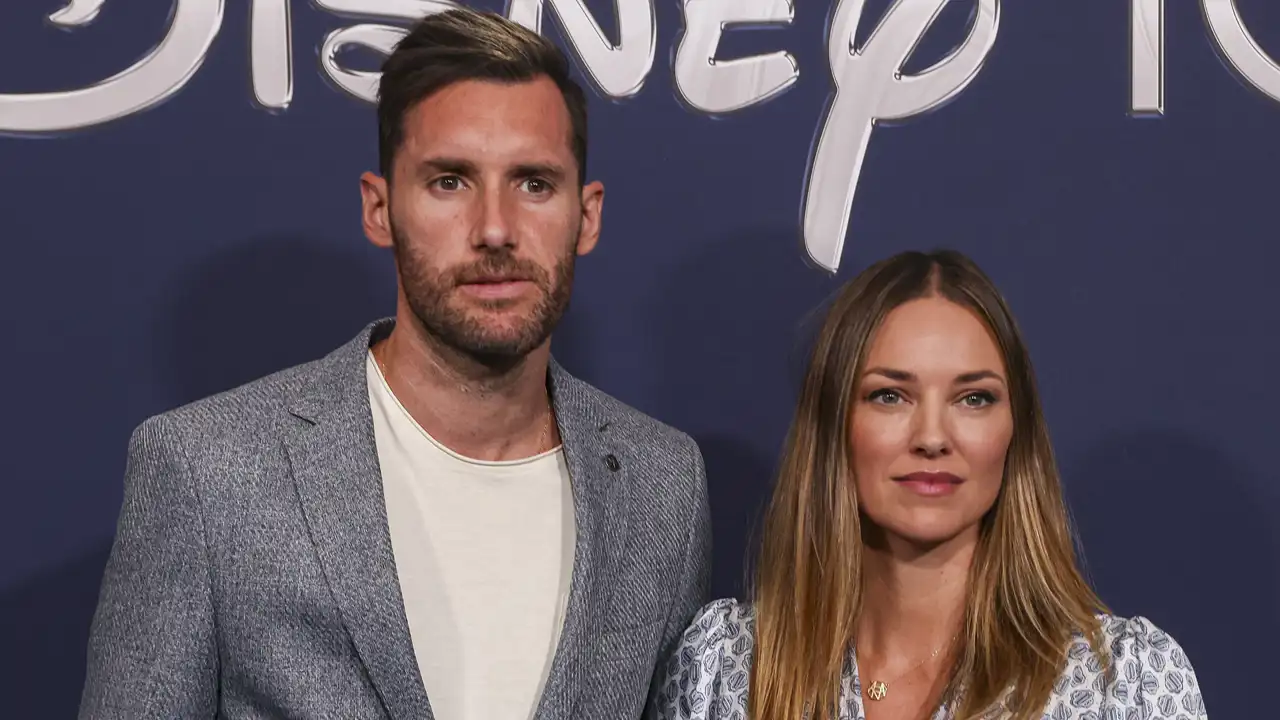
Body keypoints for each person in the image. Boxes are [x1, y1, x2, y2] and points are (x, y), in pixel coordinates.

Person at [79, 8, 710, 720]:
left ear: (586, 216)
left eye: (534, 183)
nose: (495, 229)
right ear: (379, 209)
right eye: (450, 181)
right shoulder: (205, 472)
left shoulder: (665, 484)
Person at [653, 250, 1206, 720]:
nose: (933, 437)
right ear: (835, 425)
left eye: (974, 398)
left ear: (1015, 431)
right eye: (890, 395)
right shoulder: (724, 670)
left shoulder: (1125, 685)